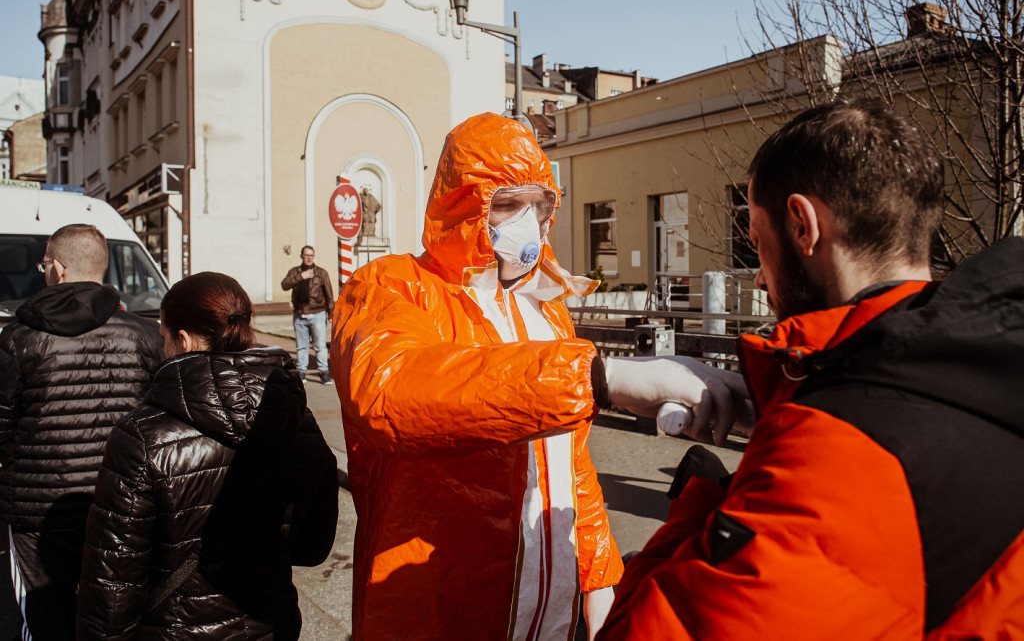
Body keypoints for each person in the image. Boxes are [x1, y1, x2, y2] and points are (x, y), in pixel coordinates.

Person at [597, 99, 1024, 639]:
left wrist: (706, 504)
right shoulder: (984, 358)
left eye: (757, 242)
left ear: (802, 225)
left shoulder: (834, 456)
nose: (759, 280)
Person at [330, 112, 749, 640]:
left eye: (539, 204)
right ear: (462, 204)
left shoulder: (544, 310)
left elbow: (571, 468)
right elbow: (390, 393)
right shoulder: (391, 288)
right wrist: (602, 378)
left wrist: (600, 579)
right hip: (436, 607)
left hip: (548, 609)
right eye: (506, 204)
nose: (525, 221)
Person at [76, 271, 339, 640]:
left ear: (182, 340)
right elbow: (313, 548)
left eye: (163, 336)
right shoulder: (299, 421)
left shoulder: (141, 436)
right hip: (272, 623)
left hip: (175, 631)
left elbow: (113, 587)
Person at [0, 223, 164, 640]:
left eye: (44, 265)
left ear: (57, 269)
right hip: (121, 505)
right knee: (113, 619)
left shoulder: (19, 339)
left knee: (44, 621)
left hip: (40, 513)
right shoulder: (146, 337)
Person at [281, 245, 334, 384]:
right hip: (300, 314)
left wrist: (331, 313)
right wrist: (300, 277)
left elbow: (329, 294)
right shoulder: (295, 272)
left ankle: (323, 372)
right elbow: (284, 285)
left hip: (317, 313)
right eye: (306, 255)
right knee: (301, 346)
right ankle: (302, 373)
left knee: (320, 345)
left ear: (314, 256)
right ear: (301, 256)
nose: (309, 258)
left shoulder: (321, 273)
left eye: (311, 255)